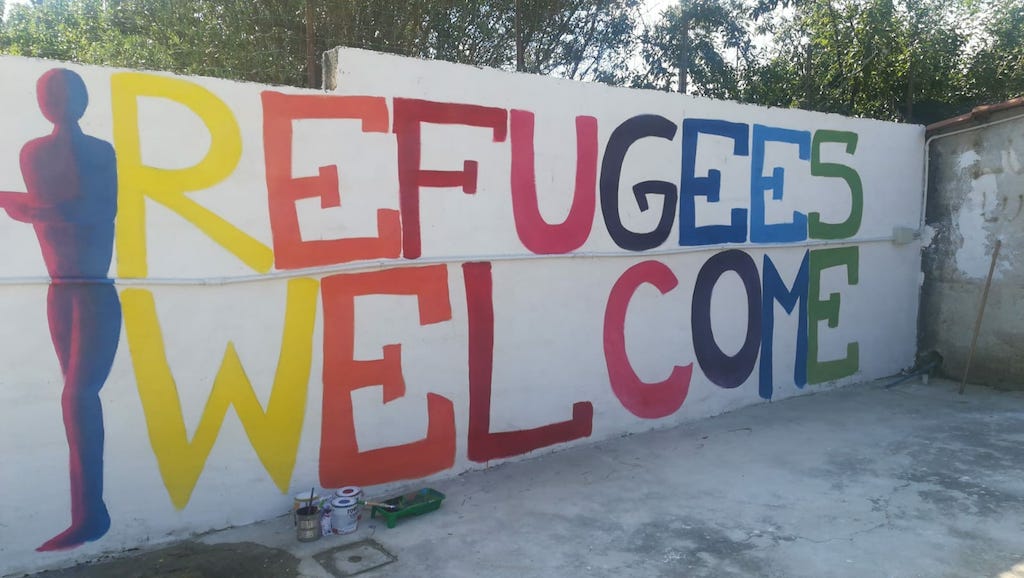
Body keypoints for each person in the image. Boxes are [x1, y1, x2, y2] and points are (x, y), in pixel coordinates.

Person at [0, 68, 120, 552]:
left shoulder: (100, 152)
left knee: (78, 396)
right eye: (47, 92)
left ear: (82, 98)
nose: (53, 100)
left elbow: (93, 210)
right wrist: (31, 206)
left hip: (92, 289)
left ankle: (91, 514)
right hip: (61, 290)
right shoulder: (34, 151)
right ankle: (90, 512)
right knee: (75, 401)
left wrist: (25, 208)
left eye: (62, 92)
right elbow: (60, 203)